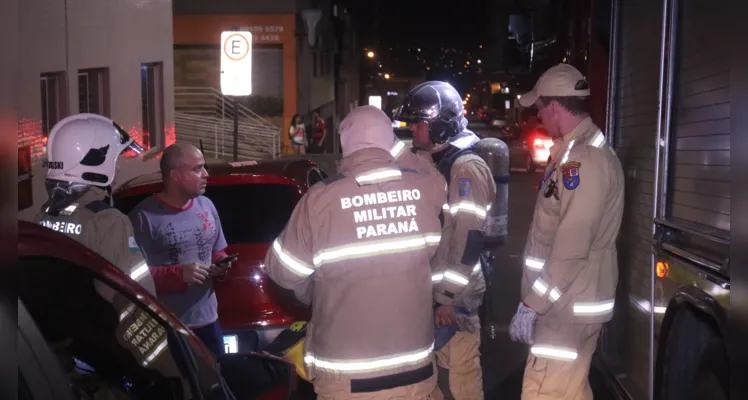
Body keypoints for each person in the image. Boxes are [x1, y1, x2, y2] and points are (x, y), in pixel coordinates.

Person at [264, 105, 447, 399]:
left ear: (344, 145)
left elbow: (283, 274)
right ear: (390, 142)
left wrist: (317, 294)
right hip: (416, 373)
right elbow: (427, 170)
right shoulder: (427, 188)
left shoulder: (320, 199)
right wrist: (389, 144)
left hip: (346, 379)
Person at [33, 113, 187, 392]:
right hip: (106, 365)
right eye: (114, 160)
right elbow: (137, 304)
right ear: (97, 162)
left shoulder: (42, 216)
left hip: (58, 359)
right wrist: (168, 372)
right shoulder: (107, 221)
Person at [508, 63, 625, 400]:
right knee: (569, 391)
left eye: (540, 108)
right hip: (570, 302)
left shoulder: (583, 160)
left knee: (545, 392)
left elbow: (572, 245)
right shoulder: (575, 151)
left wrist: (533, 304)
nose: (538, 116)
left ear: (555, 106)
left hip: (566, 307)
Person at [394, 81, 496, 400]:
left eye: (418, 122)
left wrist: (449, 297)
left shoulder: (465, 167)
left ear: (440, 124)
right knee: (431, 374)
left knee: (462, 375)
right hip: (435, 293)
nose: (412, 128)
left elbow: (469, 235)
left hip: (456, 294)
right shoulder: (434, 159)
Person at [129, 143, 233, 357]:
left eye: (204, 167)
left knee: (215, 385)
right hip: (169, 326)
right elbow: (132, 278)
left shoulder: (207, 206)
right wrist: (179, 275)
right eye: (197, 169)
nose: (206, 174)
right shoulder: (143, 217)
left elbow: (217, 251)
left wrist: (222, 265)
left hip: (209, 322)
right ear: (175, 175)